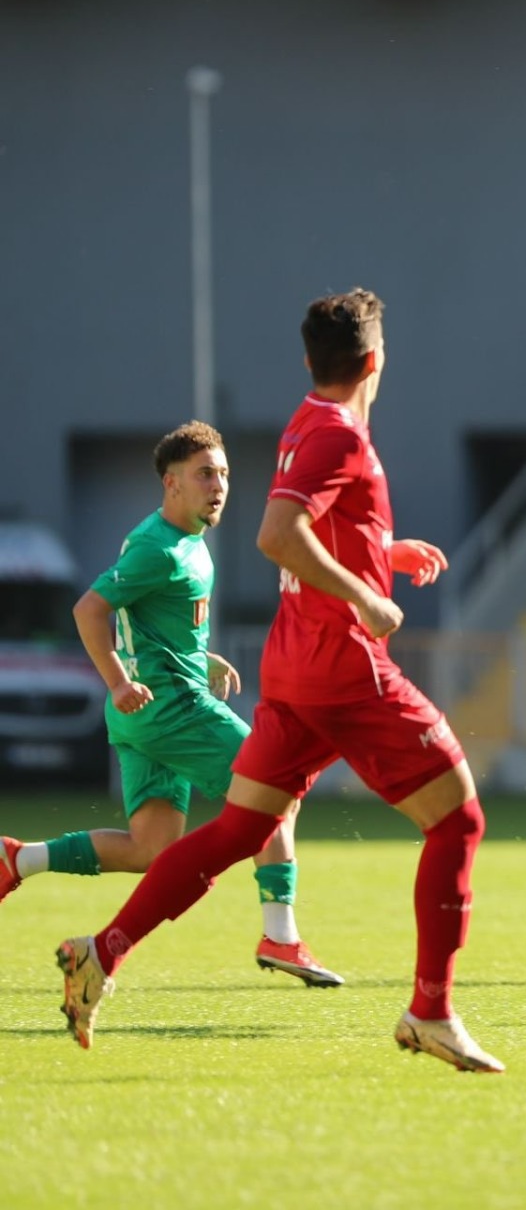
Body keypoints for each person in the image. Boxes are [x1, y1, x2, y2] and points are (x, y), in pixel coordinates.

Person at [54, 288, 503, 1071]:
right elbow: (277, 534)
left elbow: (314, 526)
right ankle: (430, 1011)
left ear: (309, 361)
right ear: (374, 360)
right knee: (457, 823)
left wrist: (381, 558)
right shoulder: (340, 434)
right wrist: (366, 595)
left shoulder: (307, 421)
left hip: (294, 670)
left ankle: (103, 950)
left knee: (237, 831)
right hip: (344, 670)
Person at [0, 422, 341, 987]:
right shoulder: (159, 546)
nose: (219, 485)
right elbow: (90, 609)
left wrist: (197, 658)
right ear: (171, 483)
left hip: (147, 713)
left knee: (150, 848)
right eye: (205, 474)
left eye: (225, 474)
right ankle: (281, 935)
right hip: (169, 710)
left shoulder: (184, 543)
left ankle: (19, 859)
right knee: (275, 787)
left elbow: (142, 620)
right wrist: (115, 681)